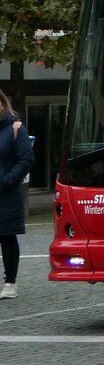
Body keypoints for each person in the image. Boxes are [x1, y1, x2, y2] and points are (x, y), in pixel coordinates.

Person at [0, 89, 34, 300]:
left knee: (6, 237)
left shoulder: (15, 128)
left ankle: (10, 283)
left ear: (3, 104)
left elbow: (26, 159)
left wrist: (8, 180)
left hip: (6, 193)